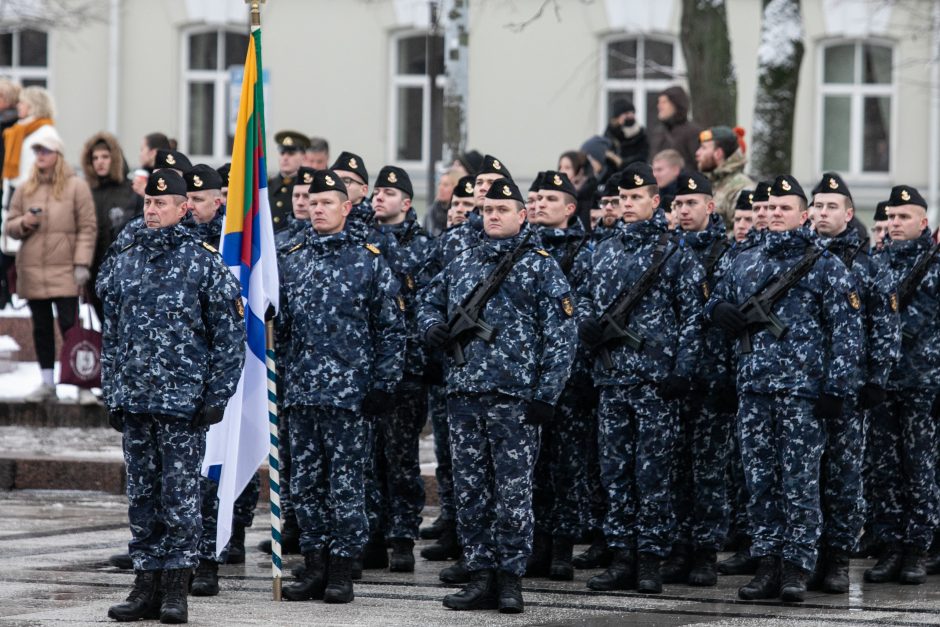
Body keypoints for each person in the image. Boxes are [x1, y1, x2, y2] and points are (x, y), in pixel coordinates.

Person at [419, 177, 576, 614]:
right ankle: (480, 574)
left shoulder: (540, 266)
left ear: (522, 215)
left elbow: (562, 337)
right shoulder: (463, 261)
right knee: (471, 490)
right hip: (465, 395)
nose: (493, 216)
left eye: (502, 210)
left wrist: (546, 394)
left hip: (515, 399)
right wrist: (431, 327)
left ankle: (510, 579)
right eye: (487, 210)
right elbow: (427, 300)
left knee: (513, 493)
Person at [98, 169, 245, 623]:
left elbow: (229, 337)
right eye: (147, 203)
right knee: (142, 496)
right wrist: (113, 393)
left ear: (184, 209)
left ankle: (176, 588)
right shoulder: (127, 260)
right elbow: (114, 336)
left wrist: (216, 395)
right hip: (137, 401)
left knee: (180, 498)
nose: (152, 210)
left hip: (184, 405)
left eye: (162, 204)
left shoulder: (203, 263)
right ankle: (145, 583)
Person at [707, 174, 862, 602]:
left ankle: (796, 567)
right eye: (769, 208)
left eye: (784, 208)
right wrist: (718, 309)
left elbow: (846, 334)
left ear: (804, 214)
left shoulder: (826, 265)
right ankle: (767, 566)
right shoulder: (744, 260)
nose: (774, 214)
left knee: (800, 483)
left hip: (803, 393)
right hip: (754, 389)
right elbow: (714, 301)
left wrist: (836, 389)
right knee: (760, 482)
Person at [577, 162, 705, 595]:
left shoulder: (675, 252)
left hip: (655, 382)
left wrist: (681, 372)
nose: (627, 205)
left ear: (655, 202)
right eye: (621, 199)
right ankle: (622, 556)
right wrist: (588, 328)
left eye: (635, 198)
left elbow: (692, 318)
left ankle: (650, 558)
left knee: (653, 475)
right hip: (612, 380)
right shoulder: (601, 250)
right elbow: (581, 301)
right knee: (615, 473)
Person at [278, 169, 405, 604]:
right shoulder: (290, 258)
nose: (317, 209)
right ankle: (313, 565)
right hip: (301, 392)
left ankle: (341, 570)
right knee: (306, 486)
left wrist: (384, 385)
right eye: (313, 203)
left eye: (327, 203)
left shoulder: (368, 260)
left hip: (350, 396)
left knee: (347, 485)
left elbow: (391, 331)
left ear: (347, 208)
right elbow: (278, 328)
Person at [808, 172, 899, 593]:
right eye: (818, 205)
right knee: (803, 476)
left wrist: (876, 379)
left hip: (849, 388)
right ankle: (805, 555)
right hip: (803, 385)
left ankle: (838, 559)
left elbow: (884, 324)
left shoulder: (868, 264)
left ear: (848, 213)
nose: (823, 213)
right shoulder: (799, 257)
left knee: (844, 477)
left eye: (832, 206)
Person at [864, 185, 940, 586]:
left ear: (923, 223)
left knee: (920, 468)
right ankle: (890, 544)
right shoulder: (877, 262)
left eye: (903, 217)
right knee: (884, 468)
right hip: (883, 383)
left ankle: (917, 548)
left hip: (922, 382)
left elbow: (912, 324)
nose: (894, 224)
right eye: (891, 218)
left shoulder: (934, 264)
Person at [666, 171, 735, 587]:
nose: (683, 210)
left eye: (691, 203)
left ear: (710, 206)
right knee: (675, 468)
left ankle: (706, 552)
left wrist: (727, 379)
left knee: (709, 470)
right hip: (674, 378)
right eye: (677, 204)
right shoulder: (666, 254)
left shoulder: (728, 255)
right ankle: (678, 547)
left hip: (711, 379)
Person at [527, 170, 594, 582]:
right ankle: (535, 545)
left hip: (570, 377)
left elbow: (586, 310)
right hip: (526, 376)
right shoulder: (521, 251)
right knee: (531, 466)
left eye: (550, 199)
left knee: (567, 466)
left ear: (570, 208)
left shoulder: (586, 252)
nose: (539, 204)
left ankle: (563, 548)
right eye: (534, 198)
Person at [364, 166, 431, 573]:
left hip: (408, 370)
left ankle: (402, 537)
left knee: (401, 456)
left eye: (389, 192)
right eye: (377, 191)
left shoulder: (426, 248)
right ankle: (371, 534)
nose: (379, 198)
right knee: (369, 458)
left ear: (406, 202)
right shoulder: (364, 242)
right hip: (369, 370)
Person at [4, 129, 97, 404]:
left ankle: (81, 381)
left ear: (58, 154)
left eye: (45, 151)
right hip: (33, 269)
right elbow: (9, 226)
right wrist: (24, 223)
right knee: (41, 328)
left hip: (65, 269)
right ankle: (47, 382)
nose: (39, 156)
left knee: (71, 326)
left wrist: (82, 263)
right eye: (37, 151)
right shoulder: (25, 187)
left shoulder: (76, 186)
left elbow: (87, 227)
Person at [418, 174, 476, 567]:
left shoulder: (527, 256)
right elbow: (428, 294)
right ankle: (455, 526)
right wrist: (430, 329)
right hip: (451, 372)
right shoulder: (451, 246)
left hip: (503, 382)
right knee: (452, 458)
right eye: (457, 206)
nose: (462, 213)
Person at [80, 132, 136, 322]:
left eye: (105, 156)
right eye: (95, 158)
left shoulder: (130, 190)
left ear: (115, 158)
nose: (100, 162)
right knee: (103, 326)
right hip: (94, 271)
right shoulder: (86, 191)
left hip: (123, 271)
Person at [695, 126, 754, 230]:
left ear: (718, 153)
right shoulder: (707, 184)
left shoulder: (741, 188)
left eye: (703, 148)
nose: (697, 153)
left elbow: (743, 233)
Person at [649, 86, 702, 169]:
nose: (659, 106)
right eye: (659, 102)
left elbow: (699, 165)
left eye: (664, 102)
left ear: (676, 104)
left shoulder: (693, 132)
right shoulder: (658, 132)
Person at [269, 131, 309, 233]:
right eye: (282, 153)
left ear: (303, 157)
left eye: (291, 153)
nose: (285, 158)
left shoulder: (308, 187)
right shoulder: (267, 186)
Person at [604, 99, 649, 167]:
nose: (631, 116)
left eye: (632, 113)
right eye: (626, 113)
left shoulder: (641, 134)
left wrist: (621, 162)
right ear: (617, 117)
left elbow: (642, 158)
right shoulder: (609, 134)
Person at [425, 169, 458, 236]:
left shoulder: (458, 213)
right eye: (439, 184)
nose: (440, 188)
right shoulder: (431, 212)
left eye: (445, 185)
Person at [651, 149, 683, 215]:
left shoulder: (687, 195)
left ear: (675, 170)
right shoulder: (655, 193)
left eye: (659, 170)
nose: (655, 175)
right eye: (653, 170)